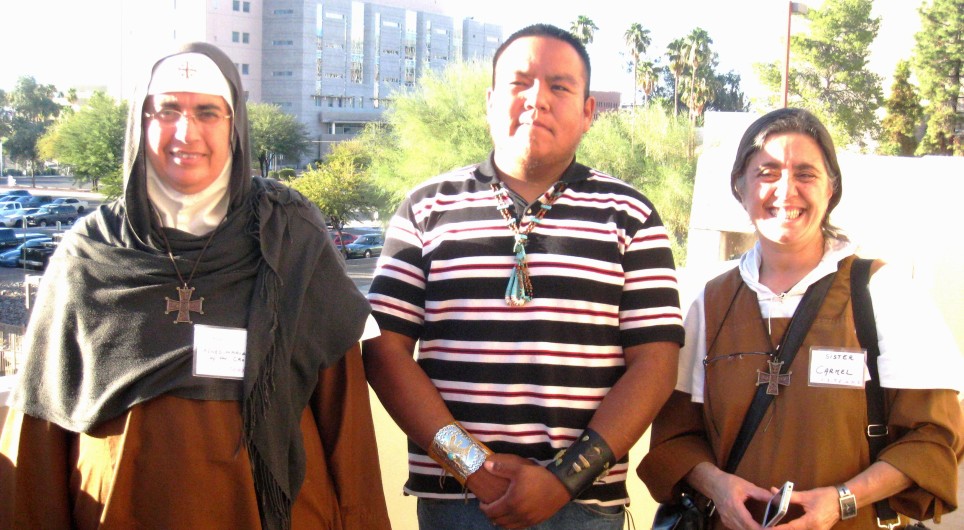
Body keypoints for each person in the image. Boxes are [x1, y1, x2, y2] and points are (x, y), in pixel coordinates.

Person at [0, 42, 390, 530]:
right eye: (167, 110)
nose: (187, 132)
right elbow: (40, 423)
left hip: (268, 511)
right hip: (121, 511)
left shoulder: (289, 234)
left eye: (208, 112)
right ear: (141, 125)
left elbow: (344, 411)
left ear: (235, 127)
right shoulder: (90, 251)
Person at [363, 23, 684, 530]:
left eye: (560, 86)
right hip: (455, 502)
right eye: (520, 83)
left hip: (582, 506)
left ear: (587, 111)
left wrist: (564, 479)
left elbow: (656, 364)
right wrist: (473, 468)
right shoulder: (426, 209)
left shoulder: (630, 215)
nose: (538, 99)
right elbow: (384, 351)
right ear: (491, 101)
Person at [638, 108, 964, 529]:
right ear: (739, 187)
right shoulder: (713, 302)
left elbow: (934, 439)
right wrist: (718, 486)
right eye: (767, 172)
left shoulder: (883, 292)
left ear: (832, 188)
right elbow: (676, 438)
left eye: (806, 174)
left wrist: (842, 500)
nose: (785, 190)